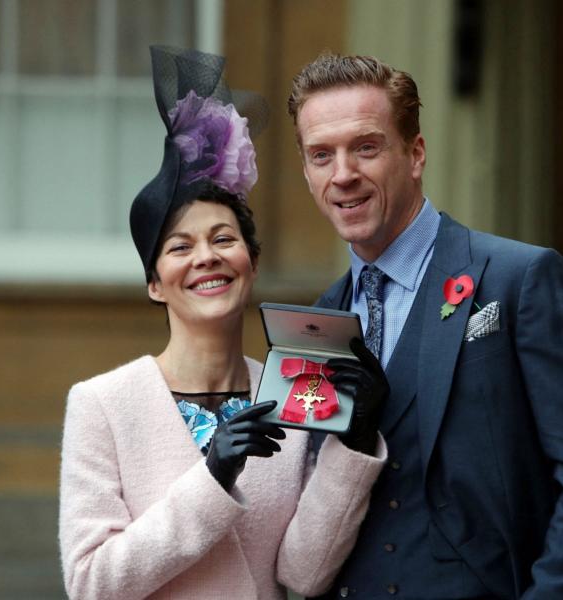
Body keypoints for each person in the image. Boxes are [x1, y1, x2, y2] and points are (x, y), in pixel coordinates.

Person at [287, 54, 563, 599]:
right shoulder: (317, 322)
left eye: (366, 146)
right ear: (307, 174)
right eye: (321, 155)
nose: (343, 174)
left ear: (416, 154)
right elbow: (311, 506)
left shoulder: (521, 280)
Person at [58, 47, 387, 600]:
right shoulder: (102, 404)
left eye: (224, 240)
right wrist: (212, 478)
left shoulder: (291, 388)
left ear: (251, 265)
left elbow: (304, 573)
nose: (206, 257)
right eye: (180, 247)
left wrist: (351, 443)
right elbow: (92, 583)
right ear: (155, 283)